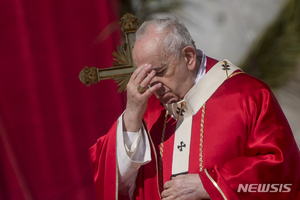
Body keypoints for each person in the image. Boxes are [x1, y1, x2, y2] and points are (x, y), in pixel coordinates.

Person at [89, 17, 300, 200]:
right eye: (146, 77)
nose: (155, 86)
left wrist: (209, 185)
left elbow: (282, 174)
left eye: (160, 71)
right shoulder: (146, 109)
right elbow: (116, 181)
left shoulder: (249, 97)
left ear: (188, 57)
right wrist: (133, 114)